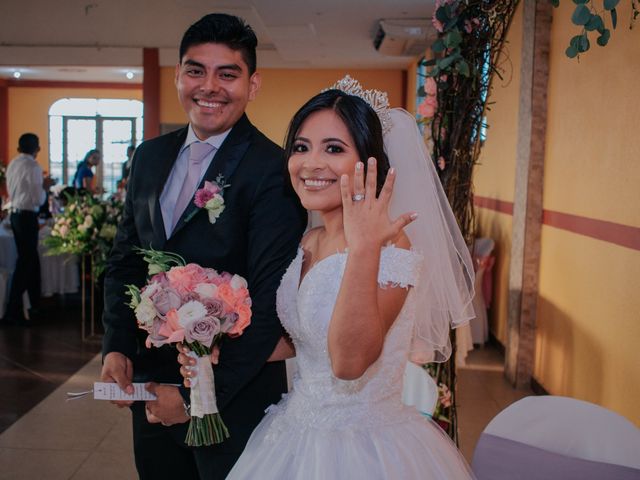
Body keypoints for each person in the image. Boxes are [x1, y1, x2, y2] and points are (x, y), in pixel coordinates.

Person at [178, 80, 477, 478]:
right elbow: (300, 337)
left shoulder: (391, 245)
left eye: (333, 149)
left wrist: (364, 249)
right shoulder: (308, 241)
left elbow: (350, 362)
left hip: (365, 449)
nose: (311, 163)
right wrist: (216, 352)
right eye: (301, 147)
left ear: (369, 162)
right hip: (292, 432)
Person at [100, 13, 306, 480]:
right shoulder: (149, 156)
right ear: (177, 75)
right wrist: (117, 348)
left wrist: (195, 399)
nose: (209, 86)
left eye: (227, 74)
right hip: (151, 389)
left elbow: (272, 305)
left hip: (234, 402)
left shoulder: (272, 170)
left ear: (252, 85)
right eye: (196, 70)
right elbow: (125, 261)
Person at [3, 133, 54, 325]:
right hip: (26, 216)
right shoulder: (33, 166)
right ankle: (13, 311)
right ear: (37, 148)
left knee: (31, 260)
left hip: (15, 215)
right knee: (26, 262)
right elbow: (37, 199)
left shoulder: (13, 163)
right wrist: (46, 186)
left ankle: (34, 305)